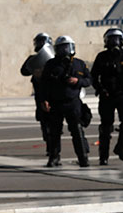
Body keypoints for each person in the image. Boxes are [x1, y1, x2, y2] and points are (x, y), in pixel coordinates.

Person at [39, 36, 91, 167]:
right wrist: (44, 99)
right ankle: (54, 157)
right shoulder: (51, 64)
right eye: (61, 48)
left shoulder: (79, 64)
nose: (64, 50)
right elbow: (43, 84)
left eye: (66, 47)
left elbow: (89, 80)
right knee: (54, 132)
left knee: (77, 131)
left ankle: (83, 157)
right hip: (55, 102)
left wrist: (78, 81)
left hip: (73, 102)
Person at [91, 28, 123, 166]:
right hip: (107, 95)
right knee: (106, 126)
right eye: (111, 39)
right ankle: (103, 156)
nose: (114, 42)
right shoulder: (101, 57)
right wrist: (100, 89)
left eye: (117, 39)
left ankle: (120, 148)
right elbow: (93, 76)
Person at [21, 33, 54, 152]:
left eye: (41, 41)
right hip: (40, 93)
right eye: (38, 42)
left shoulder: (54, 57)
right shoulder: (33, 58)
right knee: (44, 122)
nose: (39, 44)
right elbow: (24, 70)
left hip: (53, 93)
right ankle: (50, 146)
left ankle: (54, 147)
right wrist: (34, 69)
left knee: (55, 122)